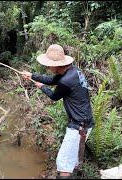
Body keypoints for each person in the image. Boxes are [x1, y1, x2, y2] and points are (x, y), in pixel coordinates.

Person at [21, 44, 94, 179]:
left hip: (79, 126)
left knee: (63, 163)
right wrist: (31, 75)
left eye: (49, 65)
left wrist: (41, 87)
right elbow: (50, 80)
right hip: (83, 122)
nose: (47, 67)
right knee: (71, 162)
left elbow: (54, 96)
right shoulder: (71, 71)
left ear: (57, 65)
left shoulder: (66, 80)